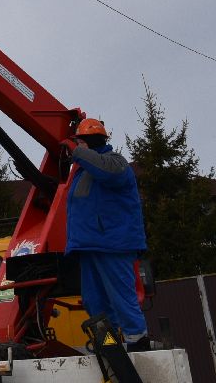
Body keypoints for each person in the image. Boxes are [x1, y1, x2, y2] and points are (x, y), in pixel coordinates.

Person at [61, 116, 150, 351]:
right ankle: (111, 345)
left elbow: (108, 172)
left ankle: (137, 342)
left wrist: (77, 152)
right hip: (89, 245)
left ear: (90, 142)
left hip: (113, 244)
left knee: (122, 298)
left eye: (79, 142)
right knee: (94, 301)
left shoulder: (115, 163)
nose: (75, 149)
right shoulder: (83, 172)